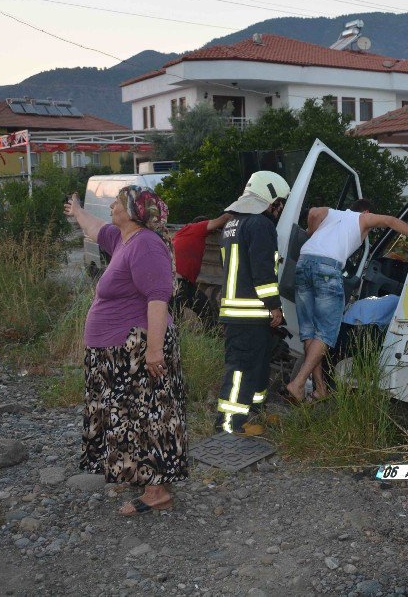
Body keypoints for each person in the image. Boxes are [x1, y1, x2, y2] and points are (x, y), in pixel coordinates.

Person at [64, 187, 188, 516]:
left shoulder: (145, 244)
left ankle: (156, 491)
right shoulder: (122, 239)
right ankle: (140, 475)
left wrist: (154, 351)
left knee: (146, 418)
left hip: (136, 349)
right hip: (116, 352)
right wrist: (76, 211)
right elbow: (94, 228)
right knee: (126, 419)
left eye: (117, 202)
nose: (110, 206)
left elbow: (158, 298)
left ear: (133, 211)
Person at [285, 199, 408, 403]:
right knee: (326, 333)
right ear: (366, 211)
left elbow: (314, 212)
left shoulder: (331, 214)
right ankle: (297, 383)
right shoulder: (360, 218)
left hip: (303, 264)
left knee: (310, 333)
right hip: (326, 269)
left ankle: (320, 389)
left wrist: (312, 232)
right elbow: (390, 220)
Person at [215, 171, 289, 435]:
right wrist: (275, 306)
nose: (280, 209)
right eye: (280, 203)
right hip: (250, 312)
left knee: (255, 368)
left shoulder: (233, 223)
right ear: (271, 201)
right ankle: (230, 423)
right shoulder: (261, 225)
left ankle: (253, 413)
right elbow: (262, 271)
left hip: (240, 312)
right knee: (242, 369)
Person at [171, 213, 232, 325]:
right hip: (177, 282)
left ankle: (211, 335)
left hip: (183, 282)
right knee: (176, 318)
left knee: (205, 308)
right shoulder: (197, 228)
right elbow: (224, 218)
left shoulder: (182, 233)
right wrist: (239, 211)